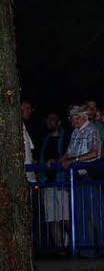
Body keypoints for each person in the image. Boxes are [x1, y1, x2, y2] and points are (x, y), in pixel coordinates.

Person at [61, 104, 102, 257]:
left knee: (94, 212)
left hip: (90, 176)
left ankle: (100, 247)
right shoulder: (75, 133)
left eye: (72, 118)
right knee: (79, 213)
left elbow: (94, 153)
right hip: (77, 177)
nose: (70, 121)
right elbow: (68, 153)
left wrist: (75, 160)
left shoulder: (92, 130)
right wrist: (59, 161)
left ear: (79, 118)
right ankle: (85, 251)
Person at [38, 111, 70, 249]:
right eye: (48, 119)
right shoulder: (44, 139)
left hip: (62, 181)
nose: (50, 121)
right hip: (48, 182)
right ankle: (59, 248)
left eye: (53, 119)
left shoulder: (66, 137)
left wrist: (56, 161)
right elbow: (41, 159)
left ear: (59, 122)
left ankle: (74, 243)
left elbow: (69, 154)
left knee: (65, 216)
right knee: (51, 218)